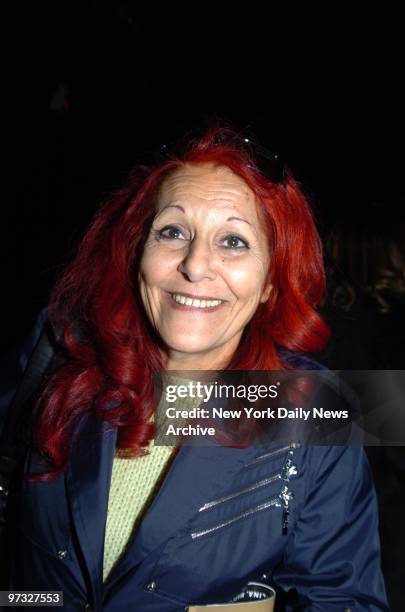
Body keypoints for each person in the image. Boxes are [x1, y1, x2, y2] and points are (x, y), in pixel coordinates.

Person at [0, 124, 389, 611]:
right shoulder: (57, 351)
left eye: (233, 241)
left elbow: (341, 597)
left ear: (271, 280)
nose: (195, 264)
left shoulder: (311, 408)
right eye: (173, 231)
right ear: (136, 253)